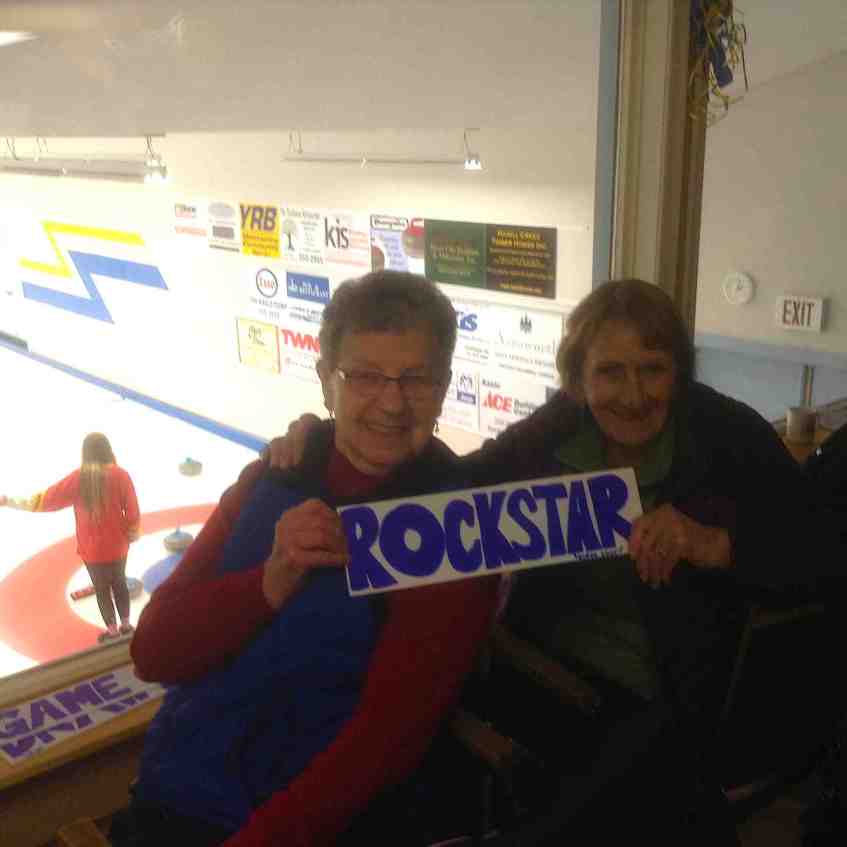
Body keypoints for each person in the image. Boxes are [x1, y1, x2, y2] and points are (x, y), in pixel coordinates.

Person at [268, 278, 813, 845]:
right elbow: (458, 489)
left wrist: (711, 545)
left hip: (668, 692)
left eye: (653, 369)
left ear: (679, 372)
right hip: (537, 664)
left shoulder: (728, 435)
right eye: (610, 372)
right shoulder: (561, 425)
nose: (633, 394)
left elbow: (817, 555)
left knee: (622, 796)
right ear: (578, 379)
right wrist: (325, 438)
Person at [117, 270, 500, 847]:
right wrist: (269, 583)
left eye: (415, 379)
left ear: (443, 387)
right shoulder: (272, 475)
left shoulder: (455, 528)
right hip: (172, 799)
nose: (392, 402)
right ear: (326, 382)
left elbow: (377, 753)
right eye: (366, 376)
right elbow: (154, 650)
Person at [0, 432, 140, 643]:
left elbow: (42, 501)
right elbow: (133, 512)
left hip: (92, 550)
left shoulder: (78, 479)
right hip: (118, 545)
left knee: (101, 589)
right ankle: (127, 626)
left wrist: (8, 500)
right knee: (119, 583)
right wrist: (131, 533)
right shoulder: (121, 475)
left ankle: (112, 631)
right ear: (107, 450)